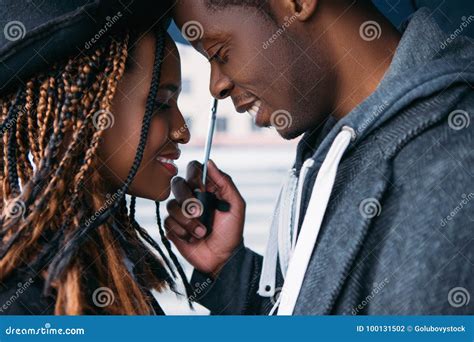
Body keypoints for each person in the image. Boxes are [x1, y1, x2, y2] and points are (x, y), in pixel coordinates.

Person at [166, 0, 474, 315]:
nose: (215, 86)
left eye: (220, 54)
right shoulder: (337, 150)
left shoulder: (451, 170)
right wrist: (231, 271)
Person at [0, 16, 192, 314]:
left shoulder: (107, 260)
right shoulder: (22, 295)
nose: (182, 131)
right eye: (160, 103)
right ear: (84, 112)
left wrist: (230, 269)